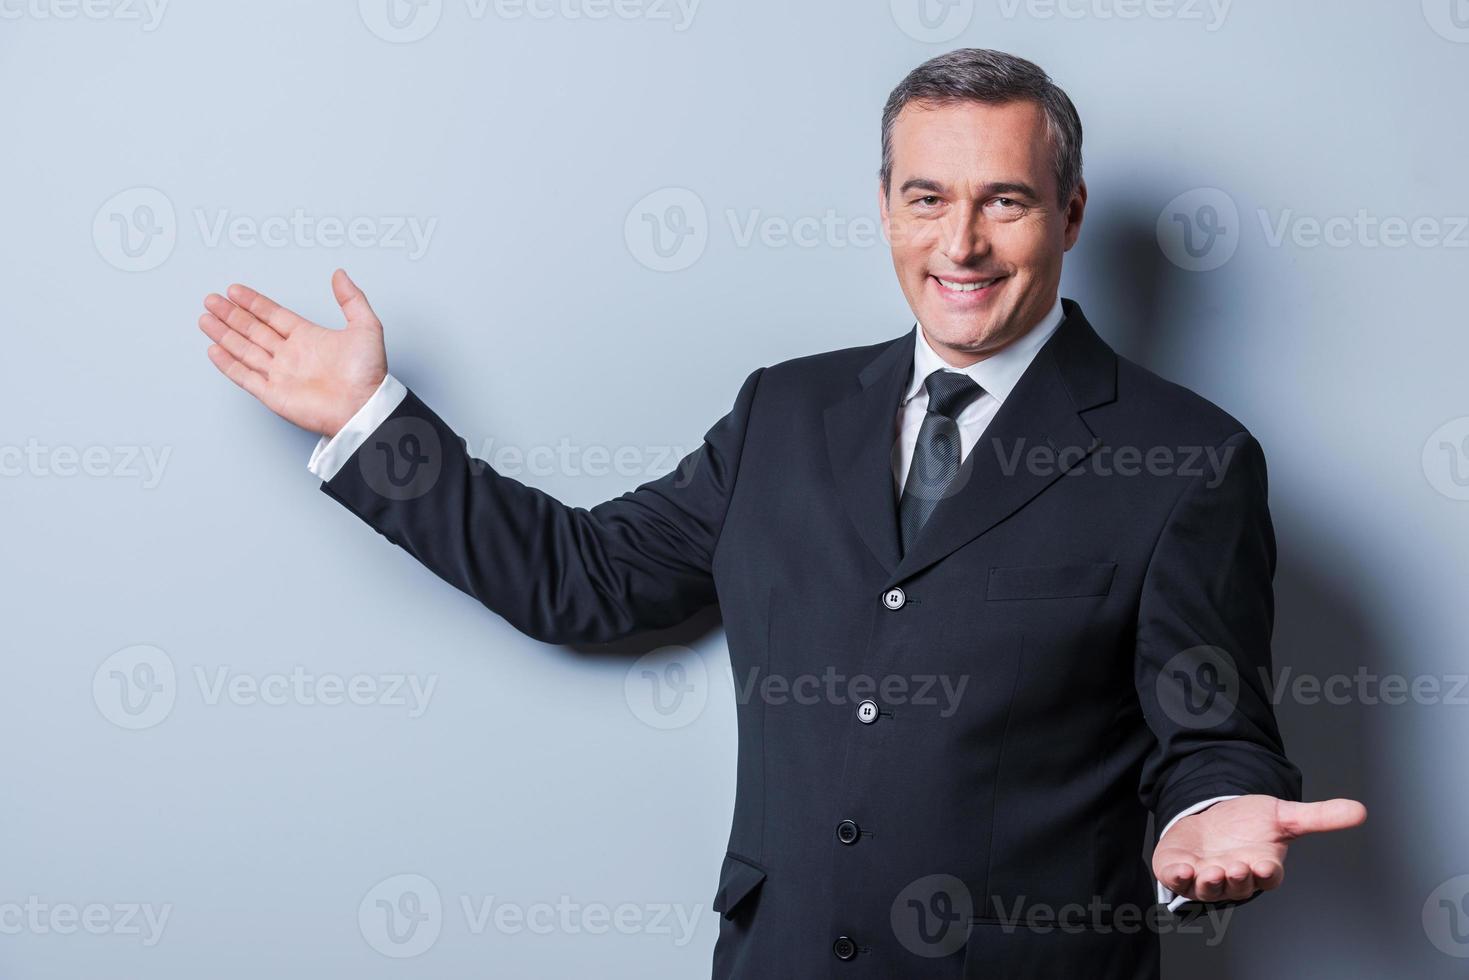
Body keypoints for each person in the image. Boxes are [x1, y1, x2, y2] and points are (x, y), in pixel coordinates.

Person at [197, 47, 1366, 979]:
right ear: (883, 207)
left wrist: (1209, 813)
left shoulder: (1185, 458)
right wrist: (371, 421)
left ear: (1065, 212)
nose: (958, 243)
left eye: (1002, 200)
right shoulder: (784, 411)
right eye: (926, 198)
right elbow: (584, 579)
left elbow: (1207, 727)